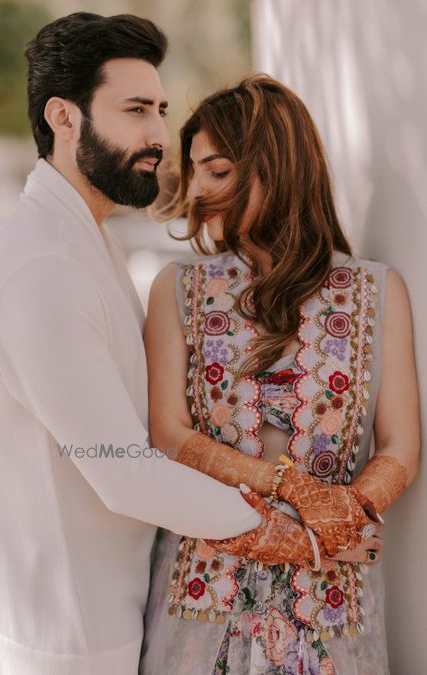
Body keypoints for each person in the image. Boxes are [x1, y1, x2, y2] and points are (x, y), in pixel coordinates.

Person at [0, 14, 284, 675]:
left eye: (160, 110)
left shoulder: (83, 240)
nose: (156, 135)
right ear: (64, 117)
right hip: (70, 637)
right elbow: (120, 468)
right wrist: (284, 528)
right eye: (135, 109)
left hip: (106, 613)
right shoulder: (43, 267)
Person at [141, 75, 420, 674]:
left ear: (277, 164)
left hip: (331, 601)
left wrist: (345, 518)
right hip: (204, 593)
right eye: (193, 172)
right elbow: (168, 433)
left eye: (215, 171)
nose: (196, 191)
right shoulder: (178, 288)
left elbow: (401, 446)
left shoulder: (376, 291)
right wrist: (295, 489)